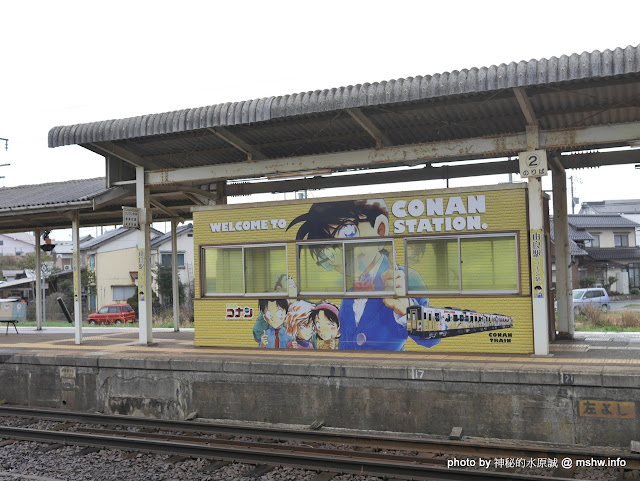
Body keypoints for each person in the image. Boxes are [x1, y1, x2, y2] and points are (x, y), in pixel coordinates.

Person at [288, 199, 439, 350]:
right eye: (326, 252)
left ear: (380, 230)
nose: (337, 255)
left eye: (347, 233)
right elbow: (347, 339)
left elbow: (432, 338)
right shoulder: (349, 288)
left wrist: (408, 309)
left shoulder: (406, 278)